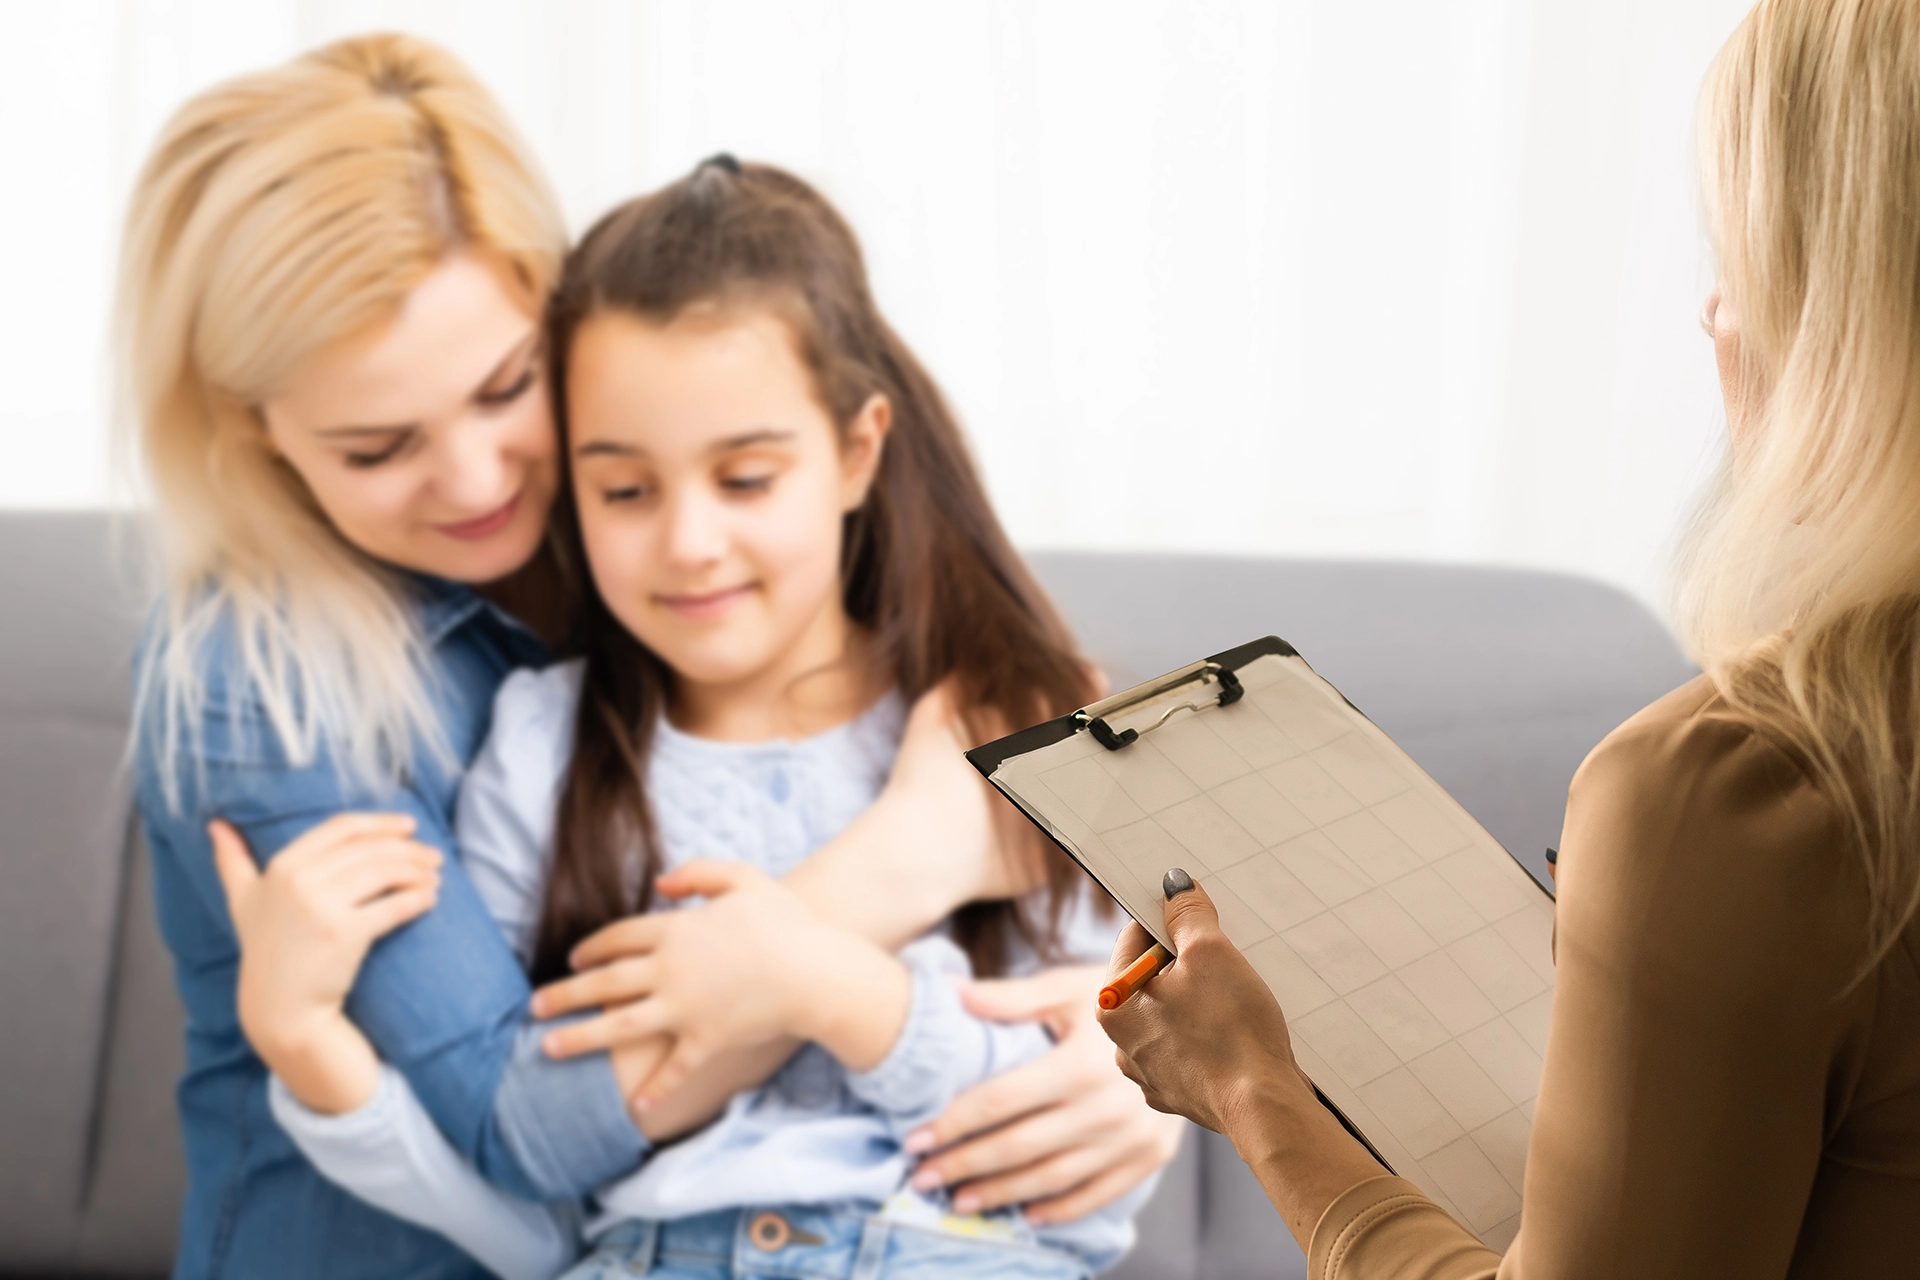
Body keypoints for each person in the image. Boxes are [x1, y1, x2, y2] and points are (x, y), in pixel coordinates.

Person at [121, 36, 1175, 1280]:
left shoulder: (665, 547)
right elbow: (525, 1130)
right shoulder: (263, 679)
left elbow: (1113, 978)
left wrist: (1140, 1082)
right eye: (374, 445)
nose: (476, 481)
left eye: (508, 386)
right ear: (258, 433)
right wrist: (903, 865)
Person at [1095, 1, 1920, 1276]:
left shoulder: (1743, 788)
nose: (1714, 318)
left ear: (1846, 317)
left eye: (1749, 260)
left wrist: (1256, 1091)